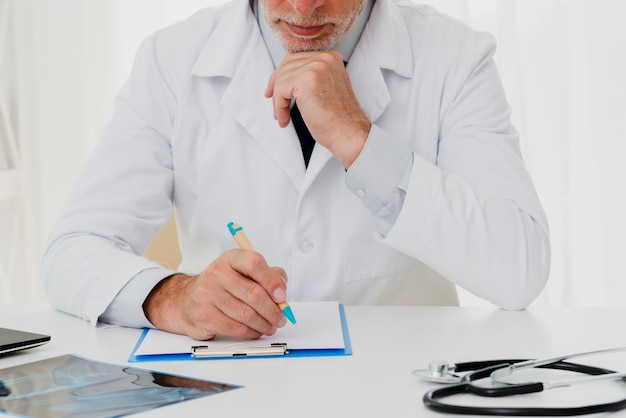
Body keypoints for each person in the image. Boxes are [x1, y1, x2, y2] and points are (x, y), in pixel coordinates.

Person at [42, 0, 550, 341]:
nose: (305, 9)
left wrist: (360, 142)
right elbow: (72, 251)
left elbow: (519, 270)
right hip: (232, 390)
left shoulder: (456, 57)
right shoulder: (170, 60)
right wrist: (174, 297)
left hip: (398, 390)